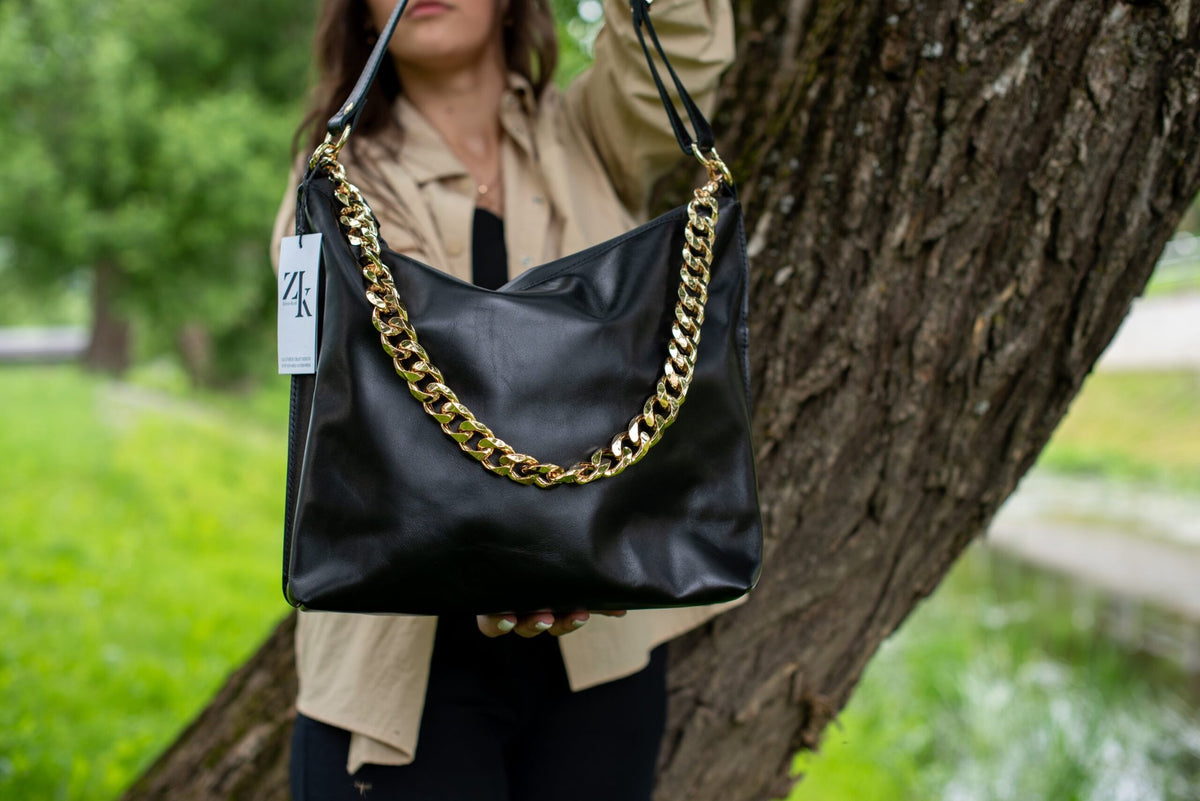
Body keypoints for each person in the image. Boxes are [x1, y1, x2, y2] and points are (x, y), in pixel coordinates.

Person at [270, 0, 742, 798]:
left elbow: (685, 38)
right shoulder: (330, 188)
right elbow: (349, 398)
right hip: (397, 680)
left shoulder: (593, 132)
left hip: (601, 666)